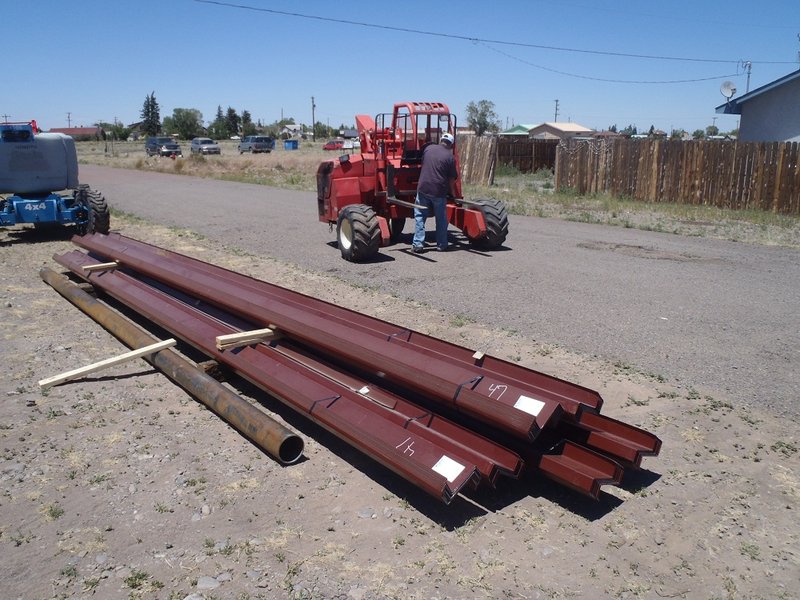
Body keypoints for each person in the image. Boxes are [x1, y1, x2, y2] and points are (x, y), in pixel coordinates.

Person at [412, 132, 458, 253]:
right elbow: (451, 180)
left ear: (441, 140)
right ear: (451, 145)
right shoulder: (450, 157)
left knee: (420, 217)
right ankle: (442, 245)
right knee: (441, 219)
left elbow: (423, 164)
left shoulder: (428, 149)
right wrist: (453, 195)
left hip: (423, 189)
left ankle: (418, 244)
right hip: (439, 192)